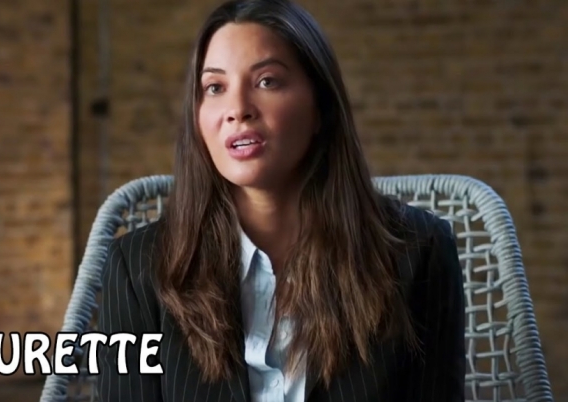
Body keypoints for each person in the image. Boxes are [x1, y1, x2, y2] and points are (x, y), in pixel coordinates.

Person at [97, 0, 466, 400]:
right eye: (215, 88)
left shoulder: (420, 252)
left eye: (267, 81)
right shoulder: (136, 268)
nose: (238, 110)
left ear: (321, 107)